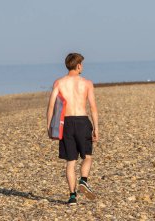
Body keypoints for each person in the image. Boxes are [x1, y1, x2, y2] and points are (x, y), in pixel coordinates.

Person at [46, 52, 99, 206]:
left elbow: (51, 106)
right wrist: (96, 127)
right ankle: (83, 180)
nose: (82, 67)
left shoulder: (59, 83)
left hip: (66, 123)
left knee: (71, 161)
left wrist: (49, 127)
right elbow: (93, 107)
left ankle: (72, 196)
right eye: (81, 64)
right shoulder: (87, 83)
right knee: (87, 157)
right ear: (78, 65)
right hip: (82, 121)